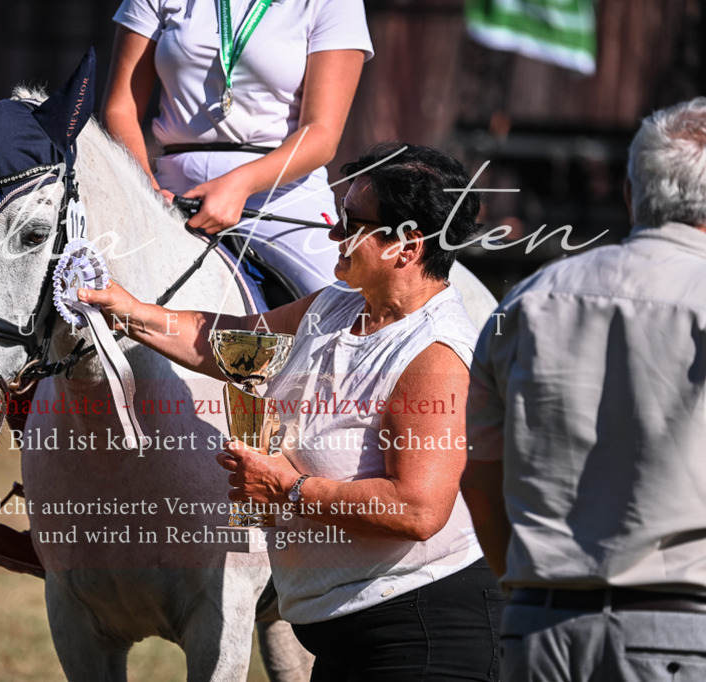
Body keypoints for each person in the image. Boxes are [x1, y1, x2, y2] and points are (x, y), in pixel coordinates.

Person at [81, 143, 504, 680]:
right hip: (346, 641)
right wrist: (131, 310)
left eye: (350, 223)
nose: (333, 234)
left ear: (407, 245)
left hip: (423, 636)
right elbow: (226, 343)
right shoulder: (335, 305)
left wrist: (288, 489)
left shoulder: (434, 354)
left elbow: (418, 509)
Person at [462, 98, 706, 681]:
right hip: (678, 630)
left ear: (630, 194)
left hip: (536, 627)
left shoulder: (523, 302)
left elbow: (480, 476)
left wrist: (525, 592)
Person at [103, 0, 373, 297]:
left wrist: (239, 186)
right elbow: (120, 108)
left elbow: (321, 133)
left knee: (339, 307)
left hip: (280, 193)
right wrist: (146, 191)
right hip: (167, 191)